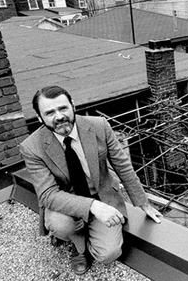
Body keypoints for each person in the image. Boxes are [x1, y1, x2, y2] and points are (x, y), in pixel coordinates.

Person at [20, 85, 162, 275]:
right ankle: (78, 247)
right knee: (60, 225)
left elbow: (123, 166)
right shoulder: (31, 147)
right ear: (39, 118)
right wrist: (93, 207)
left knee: (109, 254)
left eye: (63, 108)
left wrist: (143, 203)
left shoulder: (99, 126)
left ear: (73, 105)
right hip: (66, 203)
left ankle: (79, 235)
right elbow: (47, 195)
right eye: (50, 112)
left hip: (103, 197)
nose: (59, 116)